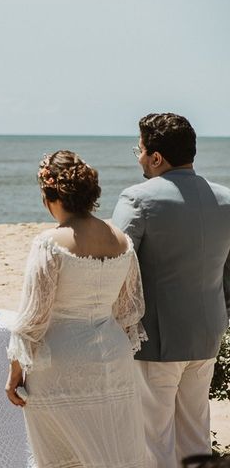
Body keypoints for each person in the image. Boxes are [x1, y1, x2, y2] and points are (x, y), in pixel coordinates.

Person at [5, 150, 147, 467]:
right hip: (112, 356)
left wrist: (15, 372)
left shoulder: (49, 243)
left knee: (61, 458)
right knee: (115, 452)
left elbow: (33, 316)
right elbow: (128, 309)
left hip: (60, 361)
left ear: (51, 194)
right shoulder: (122, 241)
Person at [112, 113, 230, 467]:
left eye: (141, 149)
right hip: (208, 333)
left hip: (156, 340)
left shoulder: (137, 199)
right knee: (194, 432)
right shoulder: (225, 200)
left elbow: (115, 266)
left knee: (153, 440)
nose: (139, 157)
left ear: (156, 157)